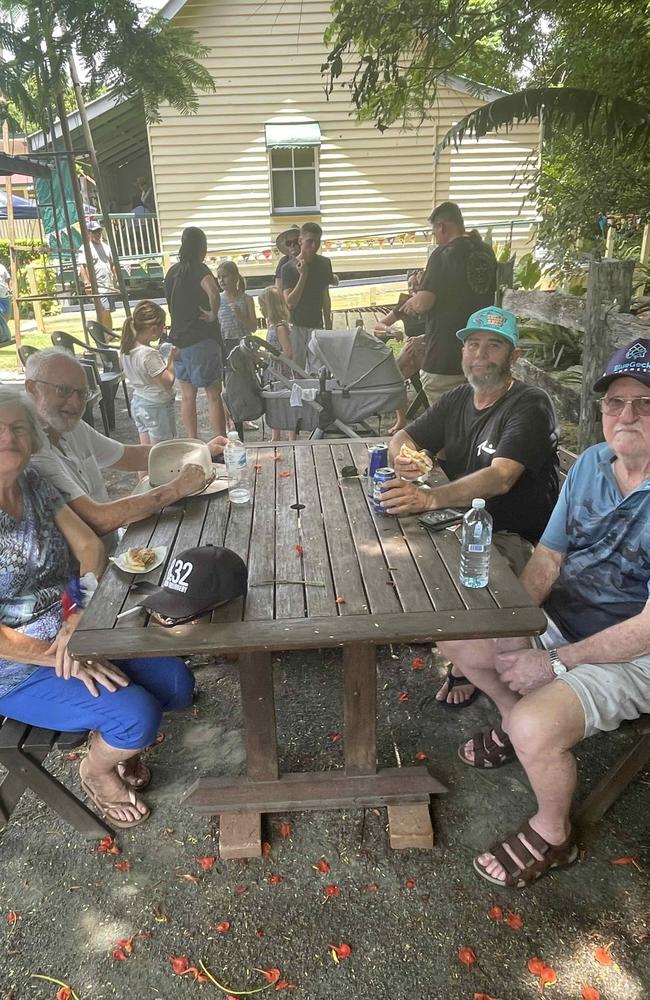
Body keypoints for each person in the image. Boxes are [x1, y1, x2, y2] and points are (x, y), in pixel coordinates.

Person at [434, 339, 650, 887]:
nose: (626, 415)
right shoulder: (593, 466)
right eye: (615, 402)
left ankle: (555, 833)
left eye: (645, 403)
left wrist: (553, 664)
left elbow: (646, 630)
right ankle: (513, 718)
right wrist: (519, 631)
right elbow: (549, 558)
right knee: (458, 641)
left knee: (535, 726)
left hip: (638, 652)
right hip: (566, 619)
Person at [0, 387, 194, 829]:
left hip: (72, 627)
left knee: (177, 684)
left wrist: (76, 618)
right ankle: (97, 769)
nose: (8, 437)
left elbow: (88, 546)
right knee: (137, 716)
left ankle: (116, 736)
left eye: (17, 427)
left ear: (32, 438)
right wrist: (61, 654)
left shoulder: (34, 484)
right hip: (14, 665)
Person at [386, 307, 559, 707]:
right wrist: (404, 458)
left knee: (435, 586)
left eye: (494, 345)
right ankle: (460, 646)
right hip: (461, 522)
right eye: (473, 344)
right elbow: (405, 435)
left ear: (514, 357)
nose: (480, 354)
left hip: (514, 538)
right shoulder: (460, 396)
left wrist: (431, 496)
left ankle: (480, 672)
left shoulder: (530, 404)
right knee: (391, 548)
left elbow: (502, 477)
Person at [24, 348, 223, 548]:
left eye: (82, 393)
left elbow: (130, 456)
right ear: (32, 388)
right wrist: (177, 488)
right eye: (64, 390)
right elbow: (98, 519)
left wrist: (200, 451)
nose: (76, 403)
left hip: (115, 543)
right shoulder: (30, 451)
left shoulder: (69, 425)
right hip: (87, 571)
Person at [402, 201, 497, 406]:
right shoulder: (486, 252)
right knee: (477, 416)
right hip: (482, 353)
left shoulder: (442, 255)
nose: (435, 237)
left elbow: (424, 303)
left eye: (434, 231)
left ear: (441, 227)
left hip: (445, 356)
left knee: (446, 421)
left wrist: (413, 301)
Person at [164, 226, 226, 439]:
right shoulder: (200, 269)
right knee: (213, 396)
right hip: (202, 340)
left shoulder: (172, 272)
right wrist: (212, 314)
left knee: (188, 397)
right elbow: (214, 293)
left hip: (179, 342)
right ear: (202, 247)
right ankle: (220, 440)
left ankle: (192, 439)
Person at [373, 268, 426, 434]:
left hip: (431, 348)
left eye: (417, 284)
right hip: (412, 351)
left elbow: (443, 330)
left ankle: (384, 388)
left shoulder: (431, 303)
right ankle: (400, 418)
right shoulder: (405, 303)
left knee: (397, 372)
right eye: (410, 285)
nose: (413, 288)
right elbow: (378, 326)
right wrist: (391, 331)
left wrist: (423, 338)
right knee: (400, 370)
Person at [120, 300, 176, 447]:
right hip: (156, 406)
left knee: (146, 454)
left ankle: (144, 472)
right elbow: (168, 382)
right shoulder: (148, 354)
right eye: (162, 326)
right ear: (153, 329)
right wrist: (172, 359)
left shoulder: (127, 350)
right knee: (162, 452)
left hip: (139, 402)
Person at [281, 221, 334, 372]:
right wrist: (303, 275)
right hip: (296, 326)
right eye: (310, 241)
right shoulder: (288, 269)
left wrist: (328, 322)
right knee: (298, 369)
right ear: (301, 241)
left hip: (317, 325)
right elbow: (290, 303)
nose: (314, 246)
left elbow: (325, 294)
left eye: (317, 242)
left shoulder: (324, 263)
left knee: (319, 369)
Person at [258, 285, 297, 443]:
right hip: (272, 371)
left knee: (285, 402)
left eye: (262, 306)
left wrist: (269, 355)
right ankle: (276, 435)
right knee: (274, 402)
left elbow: (288, 352)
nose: (260, 310)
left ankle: (292, 436)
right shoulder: (272, 326)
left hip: (281, 371)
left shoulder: (280, 327)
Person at [78, 221, 120, 332]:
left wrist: (115, 280)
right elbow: (82, 267)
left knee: (108, 311)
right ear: (88, 233)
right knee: (103, 309)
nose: (98, 234)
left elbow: (112, 264)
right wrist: (87, 284)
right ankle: (103, 334)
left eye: (99, 231)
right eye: (95, 232)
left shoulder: (106, 246)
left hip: (108, 285)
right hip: (97, 286)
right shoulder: (85, 248)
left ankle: (108, 334)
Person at [217, 260, 258, 364]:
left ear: (235, 277)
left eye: (225, 276)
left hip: (244, 342)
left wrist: (241, 316)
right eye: (219, 277)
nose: (221, 280)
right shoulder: (217, 299)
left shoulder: (246, 299)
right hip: (225, 343)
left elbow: (253, 328)